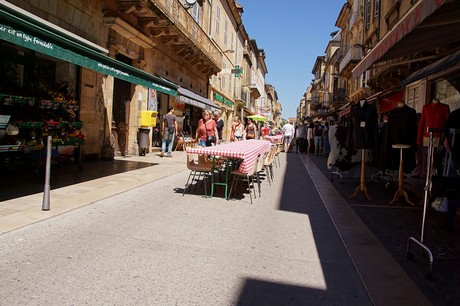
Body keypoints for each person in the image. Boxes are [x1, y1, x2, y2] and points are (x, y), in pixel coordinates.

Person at [412, 98, 450, 178]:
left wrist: (446, 138)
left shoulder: (445, 108)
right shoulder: (426, 107)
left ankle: (433, 173)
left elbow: (447, 124)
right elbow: (422, 123)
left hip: (439, 137)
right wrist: (419, 139)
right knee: (425, 157)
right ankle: (424, 173)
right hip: (426, 136)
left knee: (436, 157)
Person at [443, 108, 460, 231]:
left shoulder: (455, 115)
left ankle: (449, 221)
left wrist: (452, 156)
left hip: (456, 157)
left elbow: (446, 141)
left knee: (454, 189)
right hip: (456, 157)